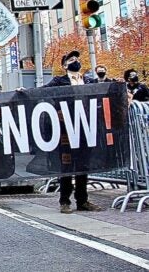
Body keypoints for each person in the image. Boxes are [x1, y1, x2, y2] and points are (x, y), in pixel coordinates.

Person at [44, 50, 102, 214]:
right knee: (67, 165)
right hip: (66, 129)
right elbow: (40, 92)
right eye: (71, 59)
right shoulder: (58, 81)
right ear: (64, 66)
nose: (75, 61)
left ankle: (82, 200)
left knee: (83, 164)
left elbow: (104, 89)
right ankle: (64, 201)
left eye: (77, 58)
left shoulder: (88, 81)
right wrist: (23, 91)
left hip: (85, 127)